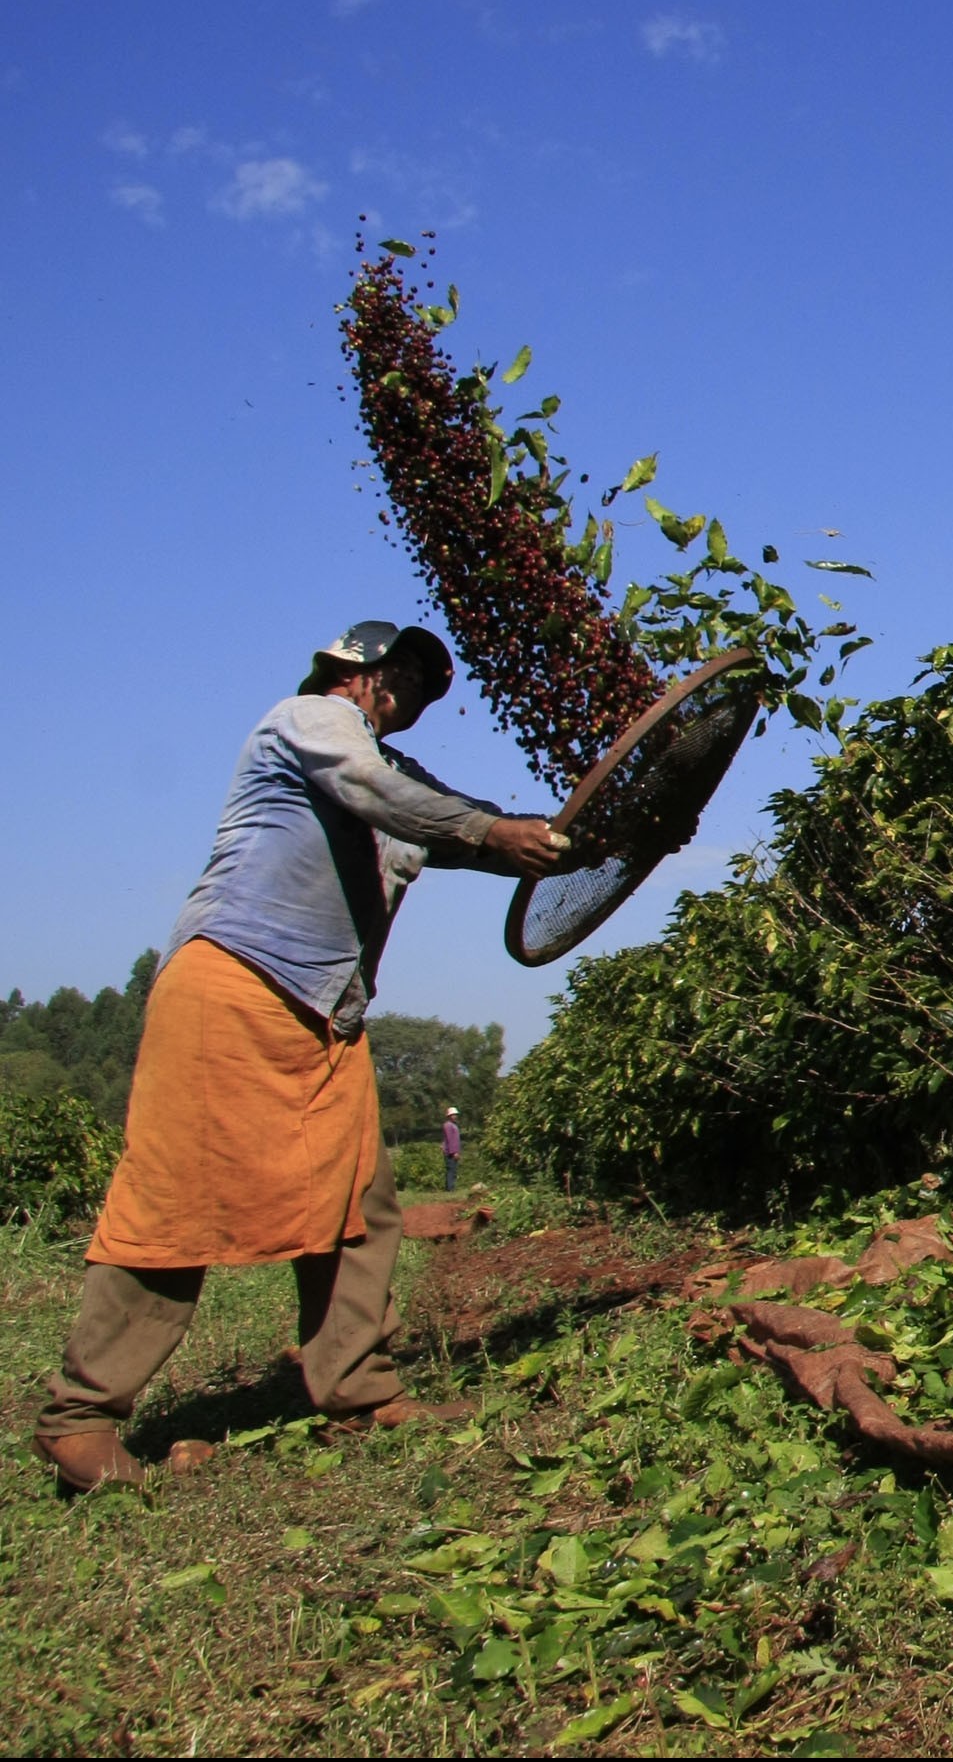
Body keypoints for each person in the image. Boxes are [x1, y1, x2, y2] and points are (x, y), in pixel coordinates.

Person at [32, 622, 565, 1493]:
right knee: (176, 1202)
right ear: (356, 671)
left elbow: (471, 837)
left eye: (430, 687)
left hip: (326, 1013)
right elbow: (386, 795)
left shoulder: (402, 779)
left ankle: (357, 1390)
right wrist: (491, 829)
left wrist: (580, 840)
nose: (415, 695)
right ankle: (82, 1414)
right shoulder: (309, 721)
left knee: (361, 1204)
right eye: (404, 674)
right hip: (236, 982)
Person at [442, 1107, 462, 1191]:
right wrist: (454, 1152)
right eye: (453, 1115)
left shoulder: (453, 1125)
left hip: (454, 1151)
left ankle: (451, 1187)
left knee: (453, 1170)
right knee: (451, 1169)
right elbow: (450, 1140)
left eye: (455, 1115)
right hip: (450, 1152)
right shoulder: (448, 1125)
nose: (455, 1116)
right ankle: (450, 1188)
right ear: (449, 1116)